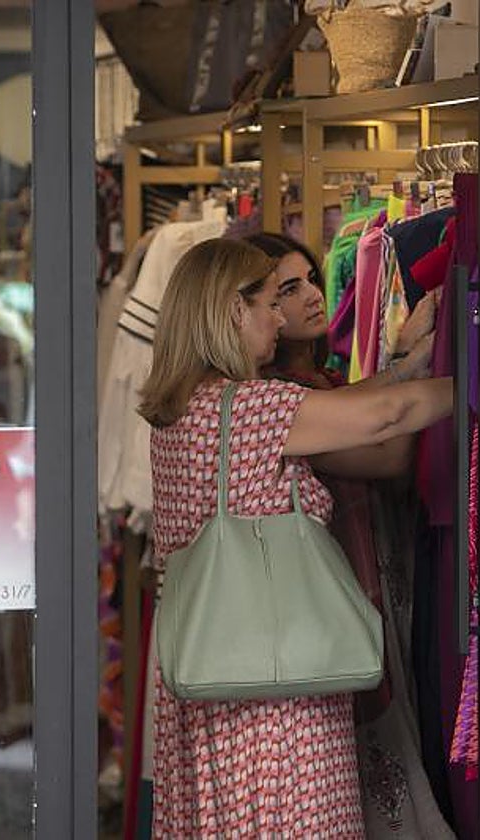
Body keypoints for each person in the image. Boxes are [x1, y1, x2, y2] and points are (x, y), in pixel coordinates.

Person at [138, 238, 453, 836]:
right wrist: (479, 383)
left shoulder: (185, 410)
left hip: (216, 683)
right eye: (268, 304)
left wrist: (405, 365)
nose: (280, 320)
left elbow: (331, 407)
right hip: (278, 696)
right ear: (235, 310)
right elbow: (385, 417)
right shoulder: (250, 407)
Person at [244, 232, 455, 838]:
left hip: (364, 579)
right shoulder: (277, 402)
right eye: (286, 291)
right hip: (334, 593)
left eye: (311, 279)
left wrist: (409, 362)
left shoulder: (323, 382)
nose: (313, 296)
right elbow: (387, 454)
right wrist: (453, 371)